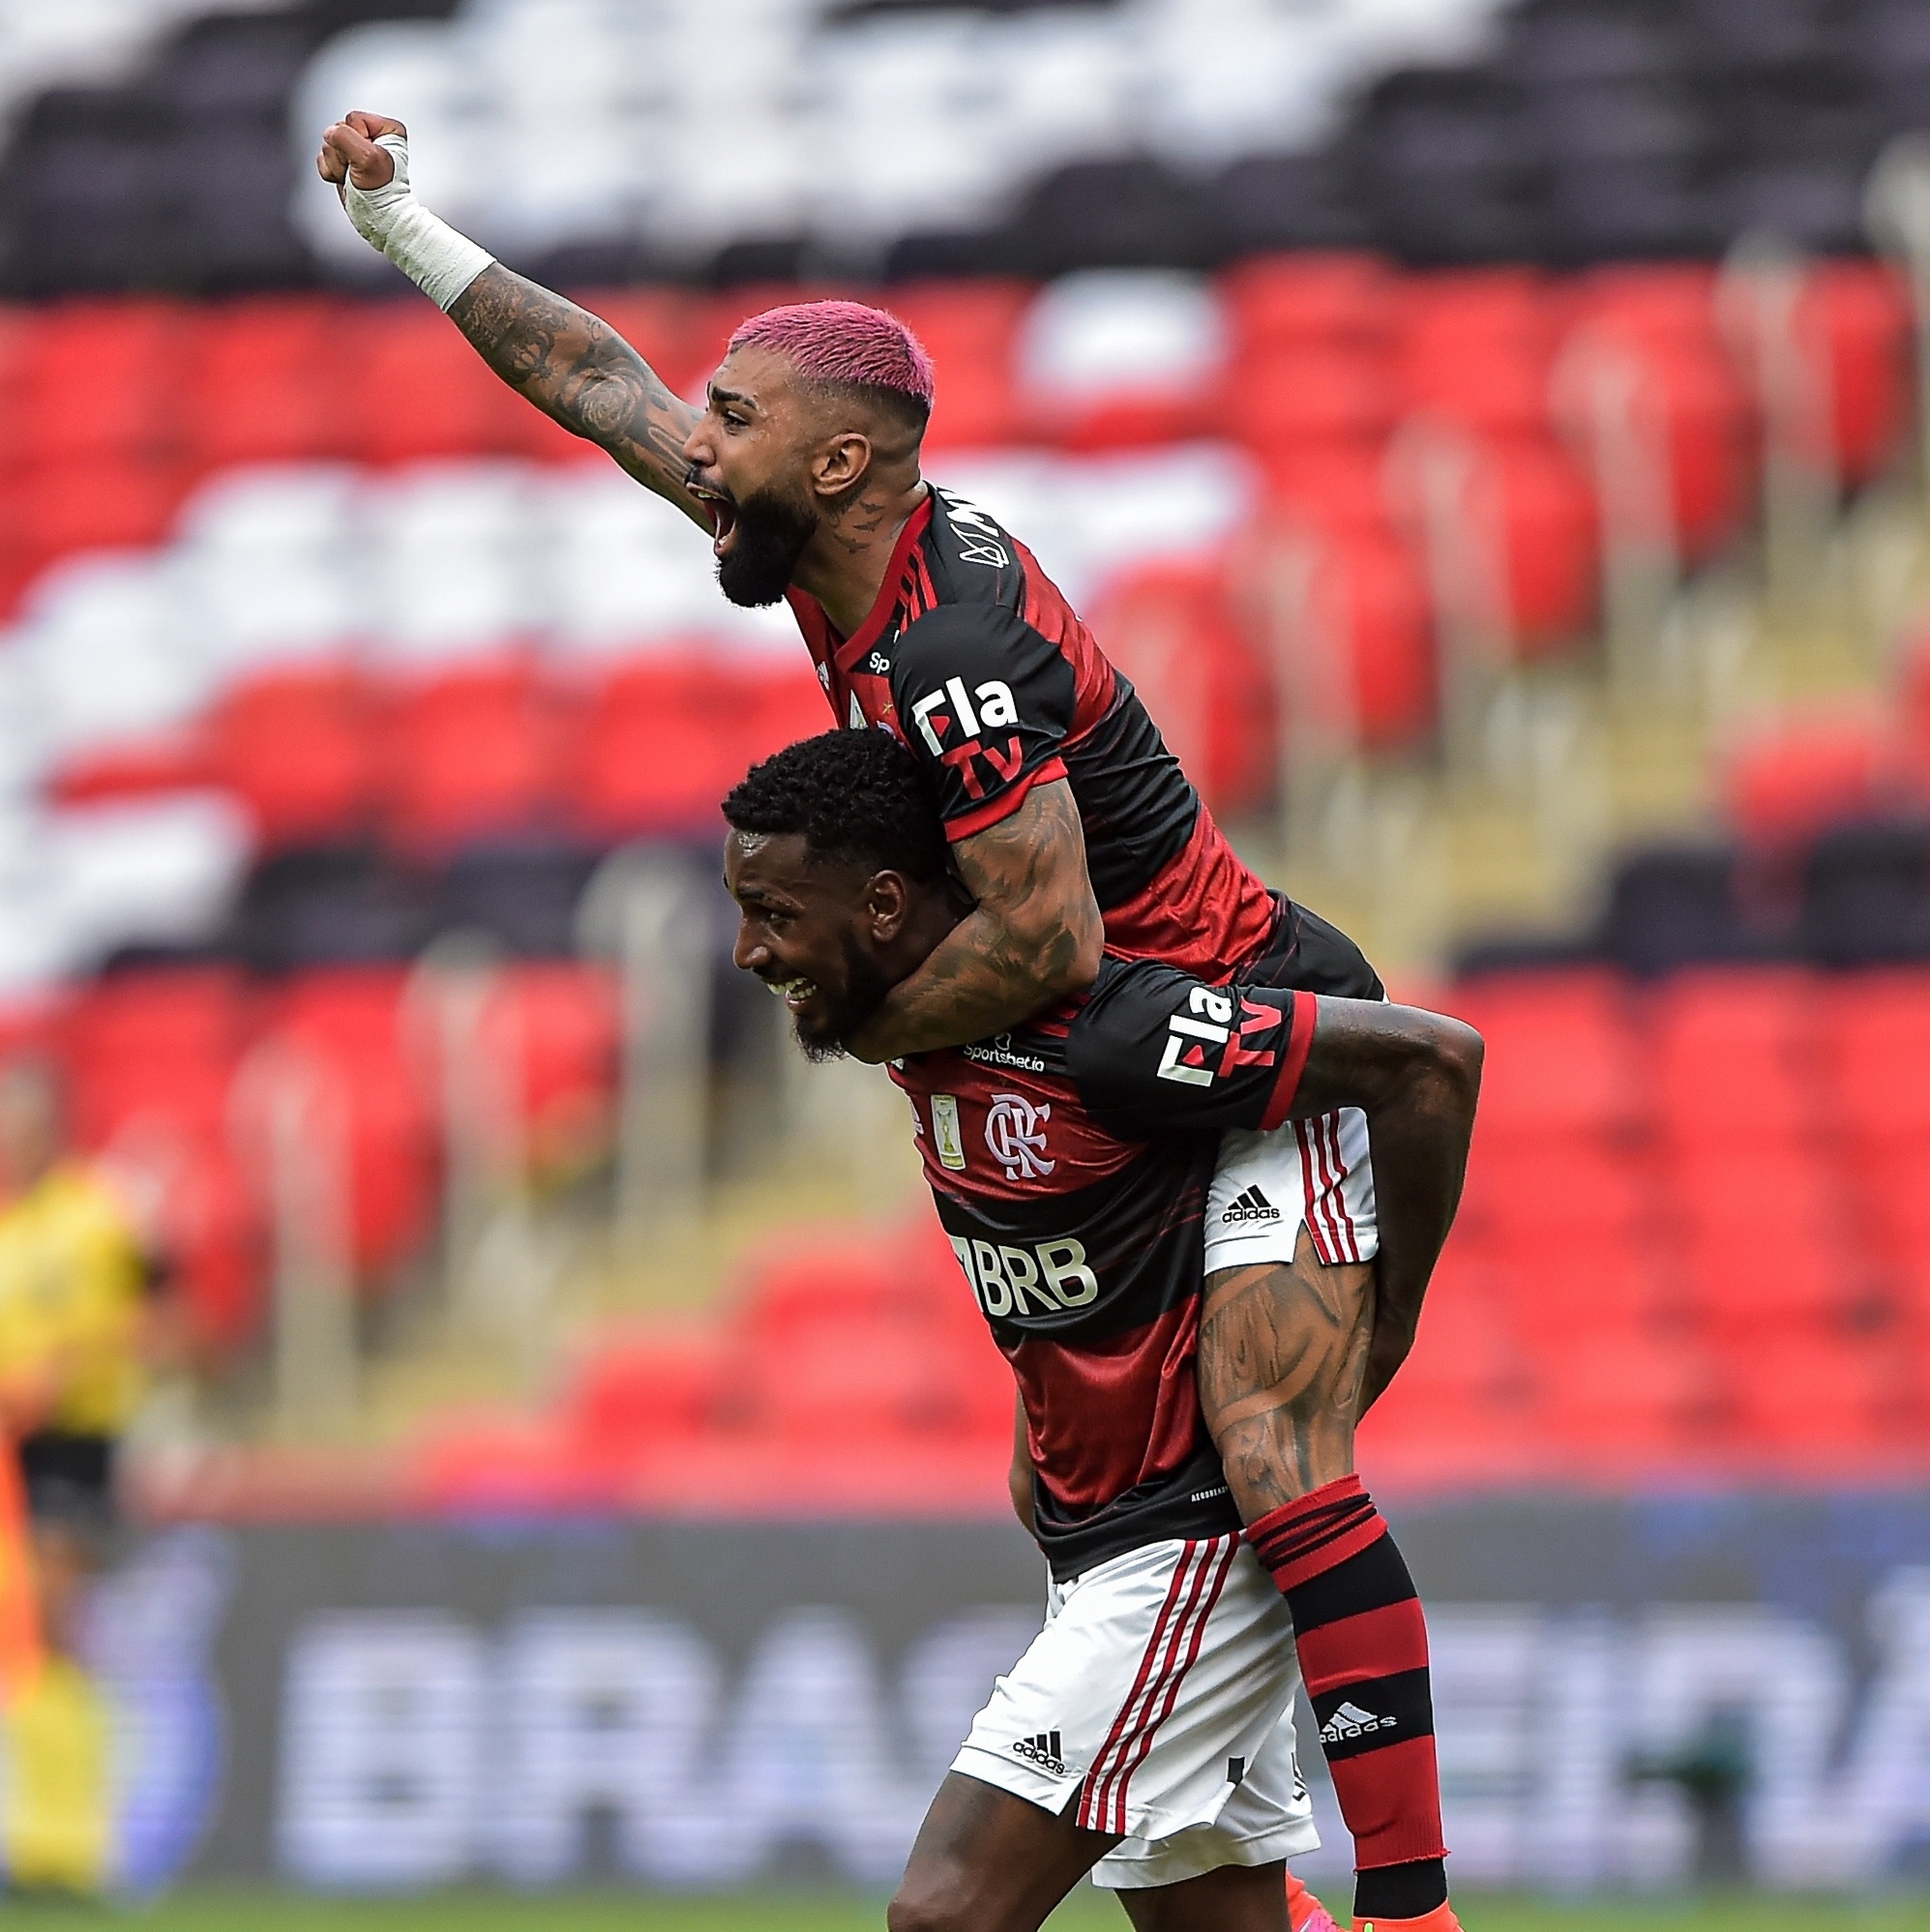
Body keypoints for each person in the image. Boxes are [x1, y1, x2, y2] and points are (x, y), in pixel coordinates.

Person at [317, 114, 1457, 1924]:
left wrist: (862, 1028)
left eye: (736, 418)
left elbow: (1047, 938)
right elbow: (595, 378)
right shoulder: (836, 547)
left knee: (1264, 1462)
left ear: (840, 458)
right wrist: (401, 227)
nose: (699, 441)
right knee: (1080, 1504)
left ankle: (1417, 1909)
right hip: (1133, 1052)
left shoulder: (954, 647)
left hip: (1247, 1029)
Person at [721, 731, 1482, 1932]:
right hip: (1090, 1549)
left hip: (1186, 1553)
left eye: (770, 912)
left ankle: (1416, 1916)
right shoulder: (908, 1034)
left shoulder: (1109, 1033)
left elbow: (1431, 1061)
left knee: (944, 1913)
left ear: (880, 904)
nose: (748, 950)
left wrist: (1386, 1321)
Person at [0, 1055, 161, 1891]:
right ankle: (41, 1837)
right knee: (24, 1643)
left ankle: (81, 1843)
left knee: (56, 1624)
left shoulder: (90, 1217)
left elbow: (105, 1331)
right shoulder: (12, 1226)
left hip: (69, 1442)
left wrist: (35, 1383)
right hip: (12, 1452)